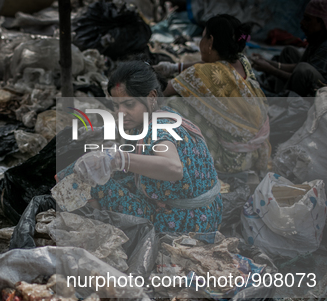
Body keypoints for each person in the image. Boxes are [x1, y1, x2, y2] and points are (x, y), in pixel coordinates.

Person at [57, 61, 222, 234]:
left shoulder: (160, 129)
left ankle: (93, 225)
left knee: (87, 179)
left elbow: (174, 168)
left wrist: (119, 159)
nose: (121, 112)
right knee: (108, 173)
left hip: (185, 221)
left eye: (129, 105)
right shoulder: (165, 113)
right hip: (208, 212)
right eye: (116, 106)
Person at [160, 14, 270, 175]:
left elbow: (161, 92)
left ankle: (179, 163)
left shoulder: (201, 74)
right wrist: (175, 67)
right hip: (256, 153)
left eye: (203, 36)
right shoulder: (242, 62)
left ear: (210, 42)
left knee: (171, 105)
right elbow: (211, 64)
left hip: (230, 160)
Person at [252, 0, 327, 96]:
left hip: (326, 90)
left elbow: (301, 75)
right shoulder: (318, 37)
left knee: (303, 69)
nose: (302, 22)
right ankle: (281, 93)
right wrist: (267, 62)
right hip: (314, 78)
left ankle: (287, 102)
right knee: (289, 52)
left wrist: (270, 69)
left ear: (322, 22)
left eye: (308, 19)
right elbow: (299, 66)